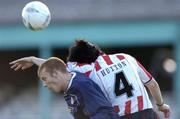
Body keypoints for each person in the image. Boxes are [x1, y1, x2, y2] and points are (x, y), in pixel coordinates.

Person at [10, 39, 171, 119]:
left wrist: (33, 60)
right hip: (147, 113)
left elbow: (56, 69)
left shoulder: (89, 69)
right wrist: (161, 104)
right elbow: (152, 84)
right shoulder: (126, 57)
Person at [37, 57, 119, 119]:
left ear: (55, 74)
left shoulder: (81, 84)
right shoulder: (68, 81)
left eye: (44, 79)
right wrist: (33, 59)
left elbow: (104, 112)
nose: (44, 84)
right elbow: (53, 65)